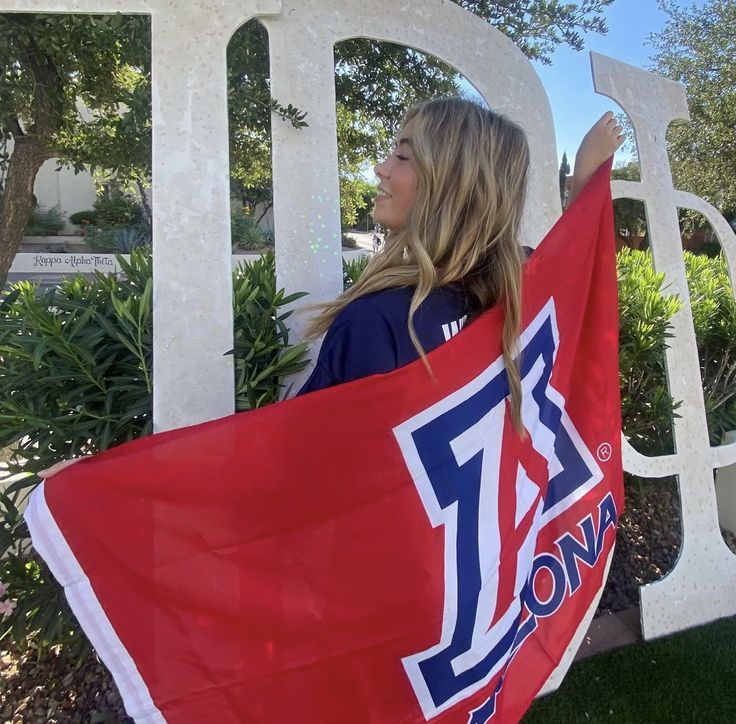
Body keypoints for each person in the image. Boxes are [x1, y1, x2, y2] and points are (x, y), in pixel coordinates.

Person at [298, 97, 623, 433]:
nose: (381, 168)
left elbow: (309, 457)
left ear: (452, 184)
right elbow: (574, 281)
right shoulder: (517, 287)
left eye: (402, 156)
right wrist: (585, 179)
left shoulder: (377, 322)